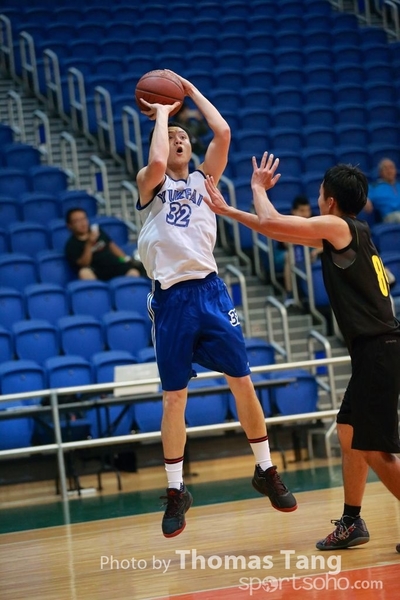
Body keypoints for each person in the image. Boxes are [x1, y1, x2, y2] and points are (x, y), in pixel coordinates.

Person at [203, 152, 400, 553]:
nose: (317, 198)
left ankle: (353, 520)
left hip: (379, 350)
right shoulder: (348, 231)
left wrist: (257, 188)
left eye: (320, 193)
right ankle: (352, 521)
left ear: (330, 200)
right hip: (376, 350)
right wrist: (229, 211)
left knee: (372, 447)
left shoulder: (337, 226)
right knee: (349, 433)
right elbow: (276, 230)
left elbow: (272, 219)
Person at [135, 73, 297, 539]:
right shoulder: (149, 184)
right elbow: (157, 160)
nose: (178, 140)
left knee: (242, 380)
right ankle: (176, 490)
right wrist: (162, 114)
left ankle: (265, 469)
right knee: (174, 397)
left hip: (209, 292)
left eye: (184, 136)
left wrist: (188, 91)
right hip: (171, 299)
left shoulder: (206, 180)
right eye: (172, 137)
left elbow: (222, 132)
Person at [65, 208, 146, 281]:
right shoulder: (71, 245)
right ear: (70, 225)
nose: (82, 223)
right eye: (77, 221)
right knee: (84, 273)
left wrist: (125, 259)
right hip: (96, 270)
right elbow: (84, 264)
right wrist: (89, 243)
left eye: (84, 219)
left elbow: (112, 247)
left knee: (134, 271)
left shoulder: (97, 231)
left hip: (114, 264)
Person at [279, 195, 322, 308]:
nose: (306, 214)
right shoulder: (287, 221)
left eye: (307, 210)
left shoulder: (315, 219)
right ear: (294, 211)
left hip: (311, 252)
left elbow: (326, 242)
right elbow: (287, 244)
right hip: (287, 252)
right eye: (302, 211)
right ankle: (290, 294)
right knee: (289, 256)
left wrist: (316, 251)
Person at [367, 158, 400, 223]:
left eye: (391, 168)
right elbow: (362, 195)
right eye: (385, 168)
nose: (389, 171)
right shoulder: (374, 187)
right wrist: (366, 200)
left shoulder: (398, 184)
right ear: (380, 172)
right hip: (390, 216)